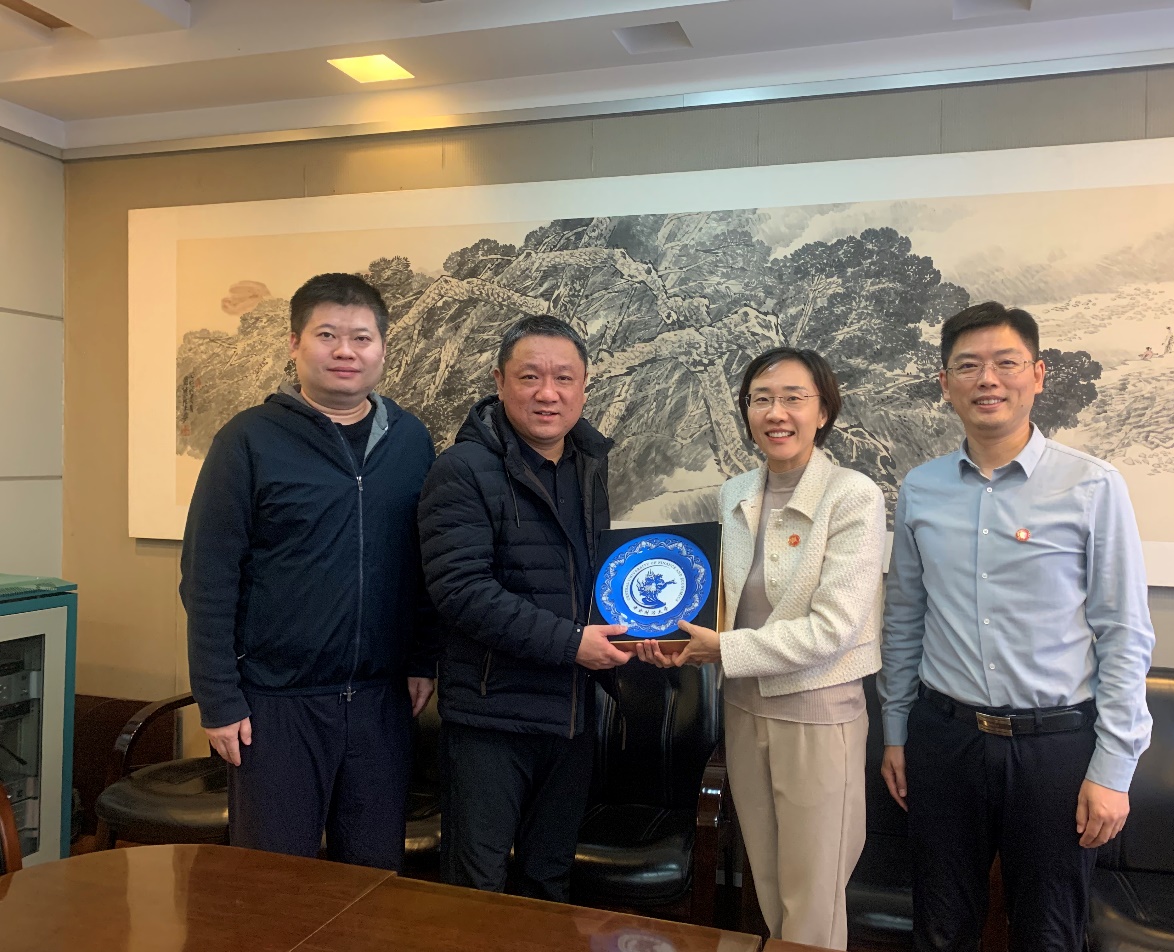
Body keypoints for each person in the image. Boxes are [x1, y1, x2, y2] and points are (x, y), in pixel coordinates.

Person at [879, 301, 1155, 952]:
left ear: (1037, 374)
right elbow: (904, 617)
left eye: (1005, 363)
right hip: (943, 739)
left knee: (1048, 935)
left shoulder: (1092, 486)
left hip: (1054, 748)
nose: (987, 380)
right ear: (945, 384)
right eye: (967, 366)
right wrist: (896, 731)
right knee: (938, 929)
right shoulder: (920, 488)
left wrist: (1114, 766)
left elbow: (1124, 633)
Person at [182, 272, 439, 871]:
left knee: (372, 879)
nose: (346, 351)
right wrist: (218, 700)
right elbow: (207, 580)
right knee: (273, 884)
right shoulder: (248, 440)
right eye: (327, 335)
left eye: (361, 338)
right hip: (276, 705)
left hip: (381, 702)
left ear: (382, 348)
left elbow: (424, 563)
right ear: (295, 344)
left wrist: (423, 658)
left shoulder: (411, 441)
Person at [637, 347, 886, 950]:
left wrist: (721, 649)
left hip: (818, 717)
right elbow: (717, 600)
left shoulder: (853, 496)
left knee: (813, 901)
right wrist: (669, 633)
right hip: (744, 712)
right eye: (761, 399)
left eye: (793, 398)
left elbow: (834, 628)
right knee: (770, 887)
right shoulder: (737, 493)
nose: (777, 413)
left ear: (823, 411)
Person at [417, 315, 629, 902]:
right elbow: (461, 591)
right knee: (475, 891)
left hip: (571, 716)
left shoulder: (588, 465)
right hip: (491, 721)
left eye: (564, 378)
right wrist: (573, 644)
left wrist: (640, 635)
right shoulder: (462, 469)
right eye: (530, 376)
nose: (547, 393)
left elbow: (592, 580)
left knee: (548, 880)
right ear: (499, 381)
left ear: (584, 386)